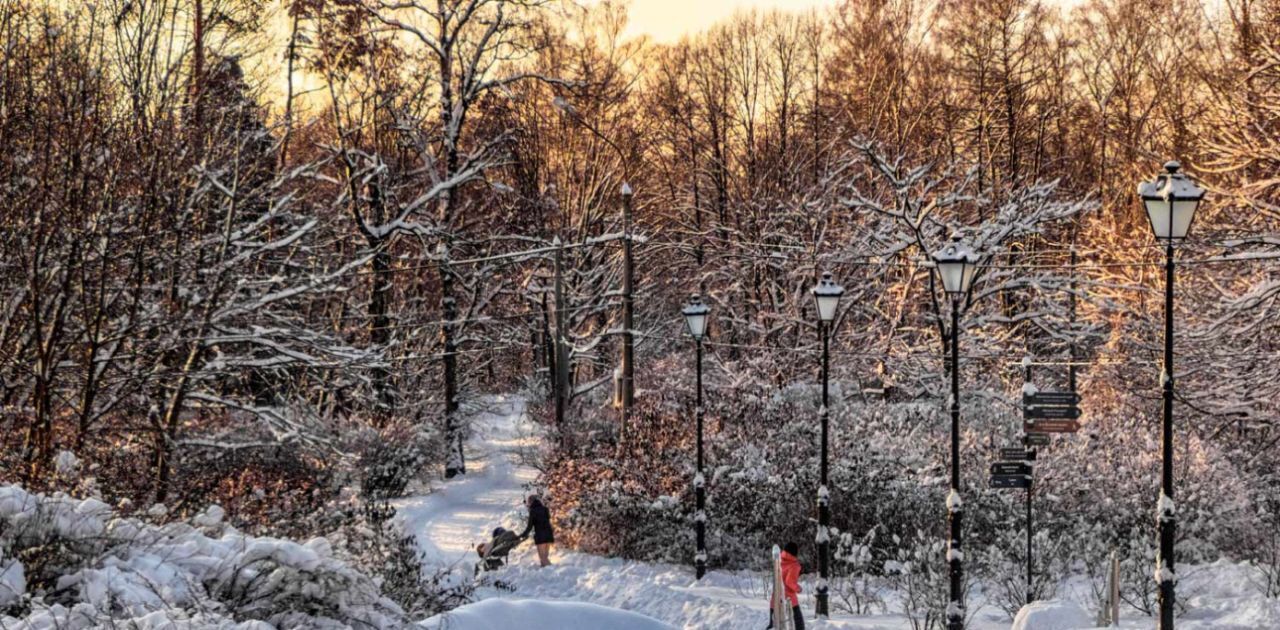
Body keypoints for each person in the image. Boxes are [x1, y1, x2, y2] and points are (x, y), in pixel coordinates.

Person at [766, 542, 804, 630]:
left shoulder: (779, 561)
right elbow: (789, 582)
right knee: (799, 624)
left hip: (775, 600)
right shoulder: (794, 565)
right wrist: (798, 589)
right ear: (795, 553)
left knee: (774, 625)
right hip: (789, 601)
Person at [519, 495, 555, 567]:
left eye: (529, 502)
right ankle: (546, 575)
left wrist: (522, 535)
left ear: (531, 502)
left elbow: (529, 527)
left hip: (540, 536)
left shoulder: (533, 511)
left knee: (543, 558)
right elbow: (547, 520)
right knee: (545, 558)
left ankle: (554, 572)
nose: (528, 504)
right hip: (549, 535)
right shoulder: (545, 509)